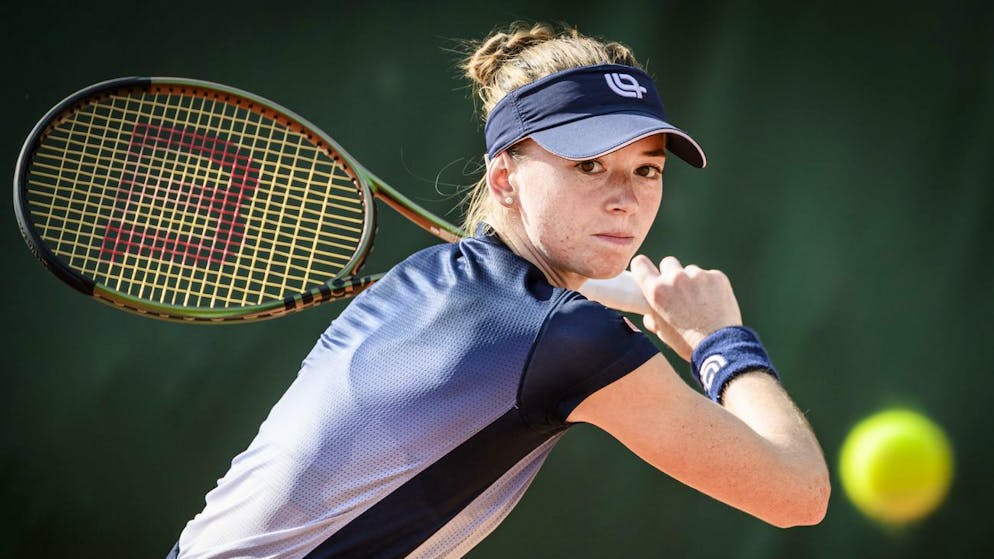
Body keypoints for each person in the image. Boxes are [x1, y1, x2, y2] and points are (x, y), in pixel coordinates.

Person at [167, 22, 829, 559]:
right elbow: (797, 494)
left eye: (647, 169)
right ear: (505, 178)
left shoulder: (429, 280)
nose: (625, 199)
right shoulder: (567, 339)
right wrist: (720, 340)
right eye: (588, 165)